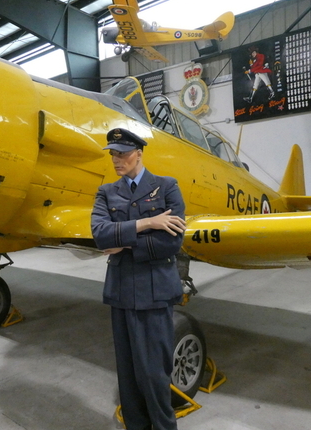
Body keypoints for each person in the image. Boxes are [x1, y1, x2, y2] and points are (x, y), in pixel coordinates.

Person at [91, 128, 187, 430]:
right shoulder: (106, 192)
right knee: (128, 372)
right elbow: (100, 236)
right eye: (113, 154)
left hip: (155, 291)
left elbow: (172, 242)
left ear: (139, 153)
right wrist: (148, 222)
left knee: (155, 373)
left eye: (123, 153)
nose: (117, 160)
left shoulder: (167, 187)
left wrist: (124, 242)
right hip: (121, 292)